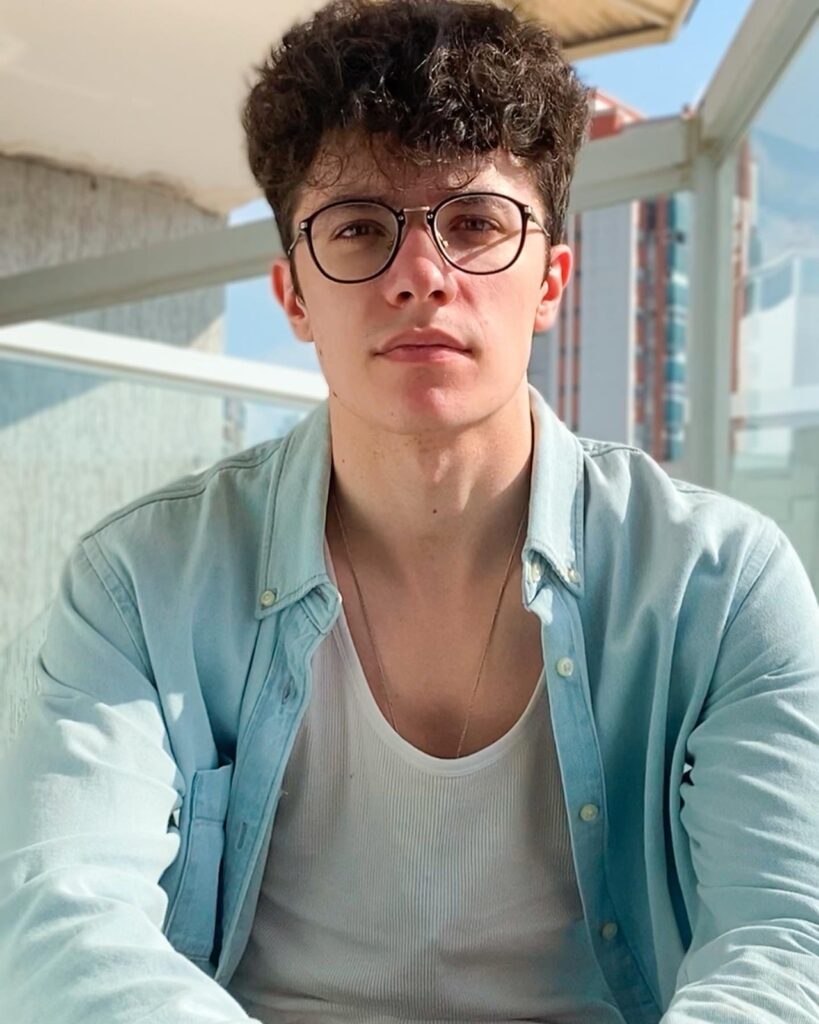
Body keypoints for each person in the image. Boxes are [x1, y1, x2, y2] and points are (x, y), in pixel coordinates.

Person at [1, 0, 819, 1021]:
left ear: (551, 281)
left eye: (474, 223)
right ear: (293, 295)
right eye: (358, 228)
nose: (421, 276)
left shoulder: (721, 585)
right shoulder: (140, 581)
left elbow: (786, 945)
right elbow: (60, 919)